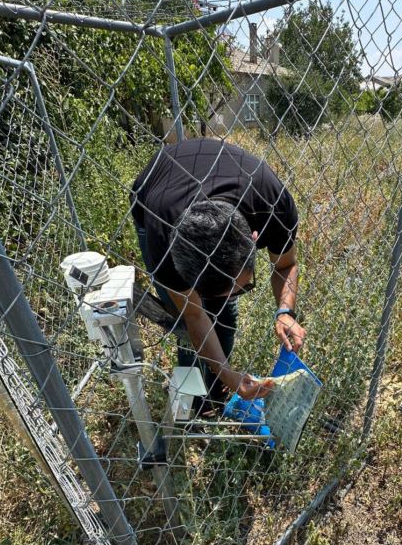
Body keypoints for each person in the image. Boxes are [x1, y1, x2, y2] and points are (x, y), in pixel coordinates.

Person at [131, 138, 306, 410]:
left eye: (240, 288)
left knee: (224, 313)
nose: (233, 295)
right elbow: (194, 314)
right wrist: (229, 374)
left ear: (254, 237)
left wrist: (284, 311)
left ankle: (214, 391)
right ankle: (194, 401)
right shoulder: (163, 240)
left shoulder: (273, 205)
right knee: (185, 320)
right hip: (155, 188)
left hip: (217, 170)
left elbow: (286, 265)